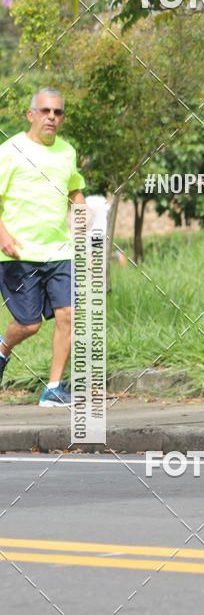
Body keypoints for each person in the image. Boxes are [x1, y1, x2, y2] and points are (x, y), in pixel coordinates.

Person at [0, 88, 85, 406]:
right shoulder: (9, 151)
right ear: (31, 114)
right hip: (18, 253)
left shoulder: (67, 152)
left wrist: (80, 214)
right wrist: (3, 236)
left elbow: (74, 189)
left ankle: (52, 388)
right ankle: (2, 349)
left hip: (59, 252)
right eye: (46, 111)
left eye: (58, 112)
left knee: (68, 315)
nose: (52, 117)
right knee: (29, 324)